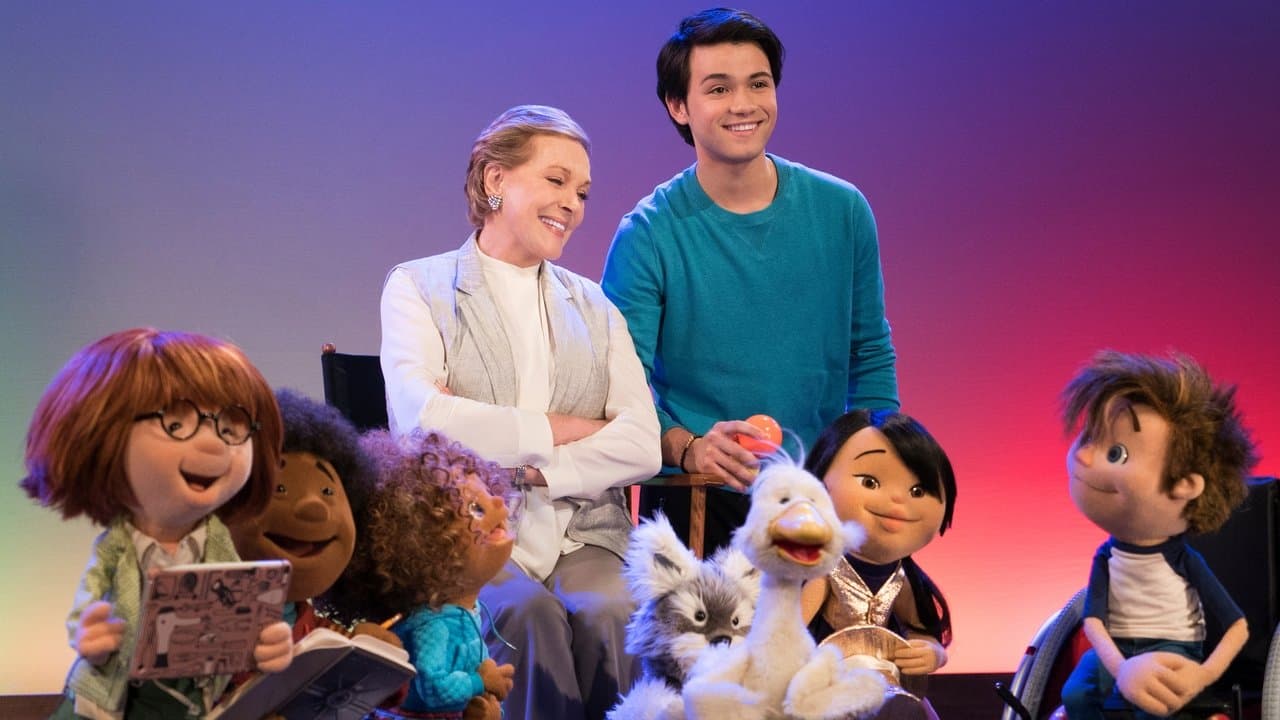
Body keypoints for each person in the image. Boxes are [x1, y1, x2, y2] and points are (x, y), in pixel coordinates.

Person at [379, 105, 662, 720]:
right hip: (468, 533)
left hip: (582, 532)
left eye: (582, 192)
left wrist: (534, 468)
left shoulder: (596, 307)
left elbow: (643, 443)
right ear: (494, 179)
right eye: (556, 180)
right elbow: (422, 423)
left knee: (612, 610)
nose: (573, 205)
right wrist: (569, 430)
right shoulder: (418, 287)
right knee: (526, 616)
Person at [601, 7, 899, 555]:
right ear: (678, 106)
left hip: (821, 491)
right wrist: (687, 447)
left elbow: (870, 353)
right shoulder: (647, 234)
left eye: (758, 84)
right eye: (719, 89)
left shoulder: (843, 210)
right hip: (701, 492)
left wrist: (874, 464)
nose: (743, 104)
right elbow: (619, 388)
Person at [20, 327, 293, 719]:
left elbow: (237, 615)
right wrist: (89, 634)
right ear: (102, 432)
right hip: (114, 695)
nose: (214, 444)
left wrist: (264, 645)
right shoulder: (117, 547)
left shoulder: (219, 545)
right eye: (176, 424)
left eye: (231, 428)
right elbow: (90, 598)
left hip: (191, 697)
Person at [1058, 351, 1256, 719]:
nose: (1084, 457)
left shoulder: (1183, 560)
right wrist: (1122, 668)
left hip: (1173, 648)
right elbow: (1094, 621)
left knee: (1153, 706)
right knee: (1076, 694)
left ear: (1185, 486)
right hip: (1118, 650)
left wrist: (1202, 675)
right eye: (1089, 438)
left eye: (1116, 453)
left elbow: (1238, 625)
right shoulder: (1106, 556)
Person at [324, 430, 516, 720]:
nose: (499, 503)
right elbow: (431, 688)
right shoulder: (432, 625)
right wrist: (480, 682)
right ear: (429, 551)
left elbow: (469, 660)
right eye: (476, 509)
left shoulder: (461, 611)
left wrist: (486, 694)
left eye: (489, 493)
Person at [800, 409, 955, 718]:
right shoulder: (823, 570)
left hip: (888, 680)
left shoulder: (901, 577)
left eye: (917, 491)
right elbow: (787, 632)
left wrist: (932, 653)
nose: (897, 500)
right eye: (870, 482)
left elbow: (920, 630)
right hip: (827, 681)